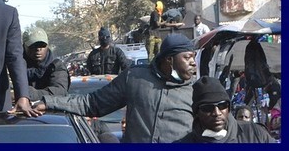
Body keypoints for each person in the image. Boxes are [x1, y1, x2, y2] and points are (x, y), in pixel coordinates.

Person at [36, 33, 198, 143]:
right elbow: (92, 103)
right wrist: (48, 102)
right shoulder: (135, 78)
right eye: (187, 57)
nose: (193, 63)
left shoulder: (198, 91)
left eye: (194, 57)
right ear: (169, 59)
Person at [175, 76, 274, 143]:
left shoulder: (255, 134)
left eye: (222, 105)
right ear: (196, 113)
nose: (217, 113)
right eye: (207, 108)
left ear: (229, 108)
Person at [22, 27, 70, 100]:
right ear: (24, 46)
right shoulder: (14, 66)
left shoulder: (56, 66)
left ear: (47, 46)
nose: (38, 49)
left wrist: (25, 93)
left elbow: (59, 92)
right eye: (33, 45)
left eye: (42, 45)